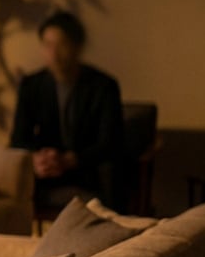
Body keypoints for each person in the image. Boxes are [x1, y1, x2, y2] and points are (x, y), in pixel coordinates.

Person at [9, 11, 124, 212]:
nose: (54, 53)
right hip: (44, 177)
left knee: (92, 202)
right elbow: (18, 139)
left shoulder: (103, 86)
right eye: (47, 45)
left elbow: (111, 143)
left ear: (77, 47)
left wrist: (70, 160)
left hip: (87, 174)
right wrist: (36, 159)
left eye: (61, 45)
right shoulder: (31, 86)